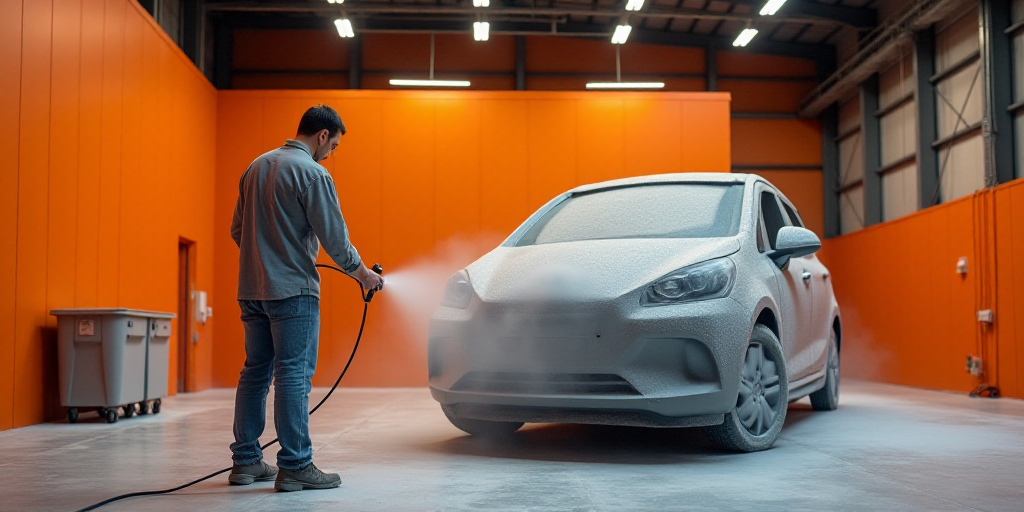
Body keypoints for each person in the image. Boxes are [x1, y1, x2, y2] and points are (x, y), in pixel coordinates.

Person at [227, 104, 383, 492]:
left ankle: (246, 462)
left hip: (252, 290)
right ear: (322, 135)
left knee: (255, 372)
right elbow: (334, 239)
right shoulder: (313, 174)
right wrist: (363, 274)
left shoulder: (255, 167)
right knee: (293, 375)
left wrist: (265, 256)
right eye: (334, 146)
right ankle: (296, 464)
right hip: (293, 291)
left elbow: (237, 231)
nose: (331, 154)